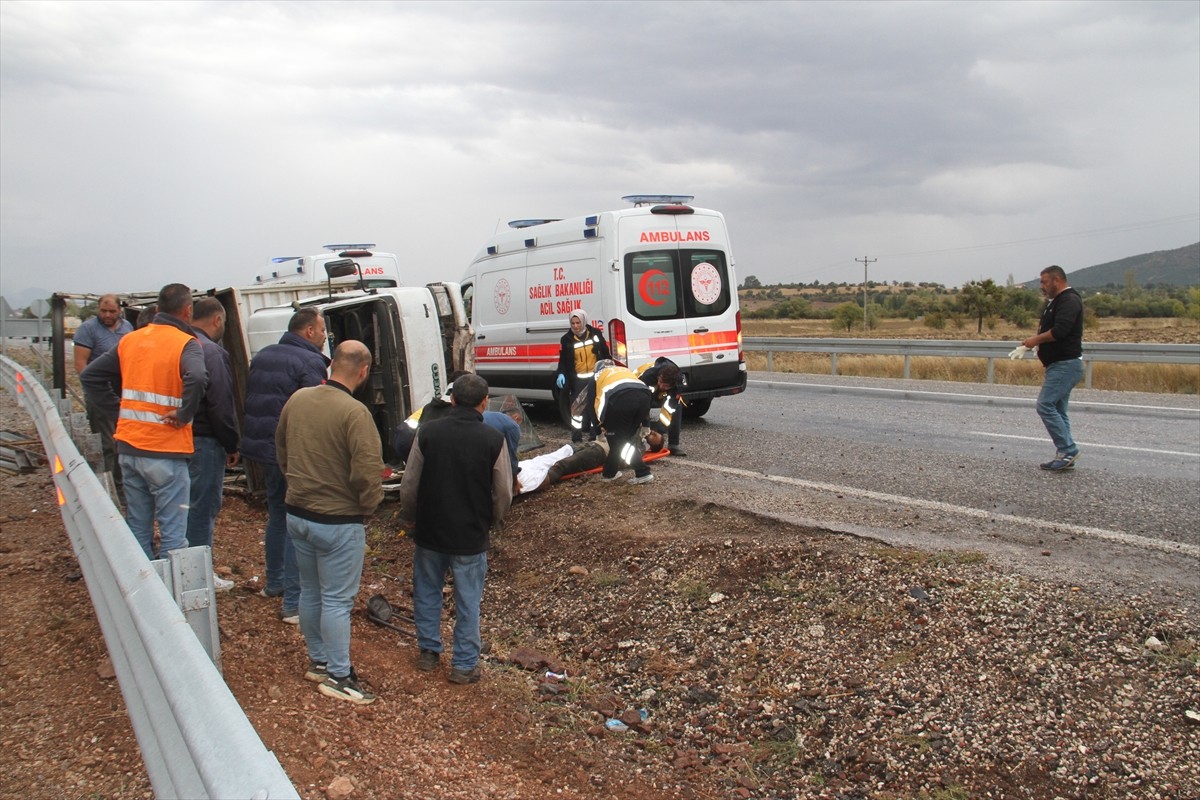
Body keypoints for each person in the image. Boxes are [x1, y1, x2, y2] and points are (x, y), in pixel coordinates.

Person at [276, 341, 383, 705]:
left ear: (332, 364)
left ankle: (318, 661)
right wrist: (368, 507)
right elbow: (367, 471)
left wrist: (297, 485)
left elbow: (282, 450)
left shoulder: (297, 400)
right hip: (338, 521)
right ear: (363, 371)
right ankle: (339, 676)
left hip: (298, 514)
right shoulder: (355, 413)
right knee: (337, 601)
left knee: (311, 591)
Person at [397, 373, 513, 685]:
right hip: (470, 533)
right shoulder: (493, 439)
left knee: (427, 591)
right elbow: (502, 491)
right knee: (468, 601)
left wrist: (409, 517)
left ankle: (428, 651)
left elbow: (409, 484)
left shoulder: (428, 432)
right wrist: (494, 520)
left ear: (452, 400)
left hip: (431, 530)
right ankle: (463, 666)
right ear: (484, 402)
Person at [80, 284, 207, 559]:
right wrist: (185, 414)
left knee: (138, 526)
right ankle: (169, 598)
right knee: (174, 535)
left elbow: (90, 376)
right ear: (188, 311)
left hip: (129, 448)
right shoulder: (186, 343)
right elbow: (197, 377)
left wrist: (119, 412)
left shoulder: (130, 340)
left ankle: (140, 589)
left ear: (158, 310)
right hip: (166, 450)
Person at [241, 307, 330, 623]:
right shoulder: (310, 362)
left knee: (278, 515)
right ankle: (294, 603)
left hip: (266, 451)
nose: (324, 336)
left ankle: (274, 583)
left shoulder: (264, 355)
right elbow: (316, 411)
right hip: (293, 456)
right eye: (322, 330)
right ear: (308, 331)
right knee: (299, 524)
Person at [185, 298, 241, 591]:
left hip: (175, 439)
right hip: (205, 441)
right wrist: (231, 443)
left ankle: (177, 569)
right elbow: (221, 404)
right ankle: (197, 577)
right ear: (217, 320)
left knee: (180, 507)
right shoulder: (211, 352)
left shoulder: (178, 344)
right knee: (202, 507)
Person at [1022, 265, 1085, 472]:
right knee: (1058, 409)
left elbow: (1060, 331)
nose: (1042, 286)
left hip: (1065, 364)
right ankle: (1064, 453)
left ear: (1056, 280)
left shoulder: (1069, 300)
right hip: (1059, 364)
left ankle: (1068, 449)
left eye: (1044, 282)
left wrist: (1034, 340)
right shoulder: (1056, 301)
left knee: (1045, 405)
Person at [73, 294, 133, 486]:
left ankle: (123, 481)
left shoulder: (127, 329)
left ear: (120, 311)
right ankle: (111, 486)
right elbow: (81, 364)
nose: (107, 315)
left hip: (122, 392)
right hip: (100, 392)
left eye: (111, 311)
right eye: (103, 311)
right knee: (108, 444)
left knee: (124, 440)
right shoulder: (88, 330)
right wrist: (93, 391)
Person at [518, 428, 664, 493]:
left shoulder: (639, 447)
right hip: (591, 444)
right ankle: (519, 470)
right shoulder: (634, 428)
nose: (653, 433)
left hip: (598, 452)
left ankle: (526, 486)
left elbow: (625, 459)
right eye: (655, 432)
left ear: (653, 445)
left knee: (562, 466)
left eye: (656, 436)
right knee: (548, 458)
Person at [593, 360, 655, 485]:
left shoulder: (597, 377)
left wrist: (598, 429)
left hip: (620, 400)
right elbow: (636, 392)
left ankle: (643, 472)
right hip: (644, 397)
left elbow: (592, 405)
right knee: (621, 440)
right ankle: (609, 473)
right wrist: (646, 424)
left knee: (619, 442)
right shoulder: (622, 370)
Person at [555, 309, 610, 442]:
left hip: (595, 377)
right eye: (572, 323)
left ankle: (594, 436)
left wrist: (609, 365)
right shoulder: (567, 339)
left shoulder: (595, 334)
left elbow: (604, 352)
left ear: (583, 321)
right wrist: (561, 374)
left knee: (594, 408)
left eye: (578, 323)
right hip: (578, 380)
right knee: (577, 410)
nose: (575, 326)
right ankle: (576, 438)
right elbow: (563, 361)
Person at [636, 357, 686, 457]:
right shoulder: (648, 376)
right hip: (640, 388)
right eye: (660, 381)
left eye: (665, 385)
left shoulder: (679, 383)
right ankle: (638, 443)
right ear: (659, 376)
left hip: (659, 392)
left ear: (673, 385)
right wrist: (646, 426)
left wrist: (660, 433)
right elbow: (640, 402)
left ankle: (673, 445)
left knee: (677, 408)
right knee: (644, 409)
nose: (661, 386)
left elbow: (671, 407)